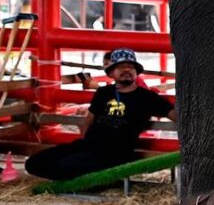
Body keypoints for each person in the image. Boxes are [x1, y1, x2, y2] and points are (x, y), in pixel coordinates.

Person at [26, 48, 176, 181]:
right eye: (121, 67)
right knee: (33, 163)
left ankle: (97, 178)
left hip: (115, 152)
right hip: (89, 145)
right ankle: (88, 176)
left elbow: (175, 115)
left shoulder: (147, 97)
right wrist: (85, 143)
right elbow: (88, 121)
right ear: (111, 73)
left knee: (63, 167)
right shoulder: (104, 93)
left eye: (131, 67)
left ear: (136, 73)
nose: (127, 70)